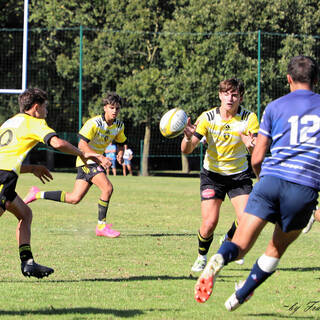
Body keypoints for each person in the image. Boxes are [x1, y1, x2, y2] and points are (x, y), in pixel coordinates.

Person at [194, 55, 320, 311]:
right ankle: (240, 295)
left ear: (288, 80)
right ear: (316, 80)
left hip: (270, 179)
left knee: (239, 246)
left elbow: (258, 157)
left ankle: (218, 257)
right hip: (303, 187)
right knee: (275, 248)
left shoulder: (274, 107)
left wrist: (264, 180)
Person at [0, 88, 104, 279]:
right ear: (36, 107)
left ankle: (28, 263)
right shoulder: (35, 122)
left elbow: (6, 157)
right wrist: (82, 153)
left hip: (5, 176)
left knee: (25, 214)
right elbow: (56, 143)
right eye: (45, 107)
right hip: (3, 179)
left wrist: (31, 168)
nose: (47, 111)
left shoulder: (10, 122)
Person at [181, 78, 259, 272]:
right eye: (226, 94)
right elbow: (187, 150)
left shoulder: (249, 118)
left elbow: (255, 146)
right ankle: (201, 256)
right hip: (212, 176)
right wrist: (187, 137)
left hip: (238, 176)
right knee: (209, 223)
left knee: (246, 219)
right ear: (220, 95)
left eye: (234, 95)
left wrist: (251, 145)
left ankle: (229, 238)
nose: (230, 98)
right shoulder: (207, 118)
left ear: (240, 97)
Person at [24, 92, 127, 238]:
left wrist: (121, 153)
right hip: (86, 161)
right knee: (107, 188)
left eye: (117, 108)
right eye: (111, 108)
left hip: (95, 162)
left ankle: (37, 194)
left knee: (74, 198)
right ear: (105, 108)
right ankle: (101, 226)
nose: (114, 111)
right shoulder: (94, 123)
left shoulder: (119, 126)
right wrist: (99, 157)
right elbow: (82, 146)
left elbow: (121, 143)